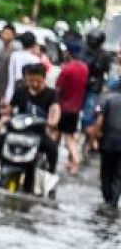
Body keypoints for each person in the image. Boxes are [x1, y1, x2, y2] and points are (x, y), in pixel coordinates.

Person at [0, 62, 60, 173]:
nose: (34, 84)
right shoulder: (20, 91)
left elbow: (55, 109)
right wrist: (0, 114)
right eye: (31, 81)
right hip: (18, 130)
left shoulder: (51, 94)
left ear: (43, 78)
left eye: (38, 81)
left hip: (37, 132)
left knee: (52, 149)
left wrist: (52, 121)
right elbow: (10, 108)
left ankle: (51, 173)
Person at [55, 41, 88, 174]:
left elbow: (58, 88)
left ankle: (75, 160)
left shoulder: (67, 69)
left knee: (66, 137)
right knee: (68, 135)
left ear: (68, 53)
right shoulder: (84, 68)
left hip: (64, 107)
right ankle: (68, 161)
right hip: (76, 108)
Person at [88, 78, 121, 205]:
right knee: (118, 174)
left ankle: (107, 199)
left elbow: (99, 122)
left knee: (106, 172)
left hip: (108, 141)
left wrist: (91, 140)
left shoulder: (107, 99)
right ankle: (113, 202)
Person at [82, 29, 111, 150]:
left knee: (88, 115)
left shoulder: (104, 55)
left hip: (94, 87)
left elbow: (105, 71)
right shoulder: (85, 51)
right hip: (83, 84)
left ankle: (90, 138)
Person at [3, 31, 42, 106]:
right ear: (34, 44)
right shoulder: (36, 59)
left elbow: (11, 78)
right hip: (30, 91)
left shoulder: (15, 56)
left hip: (16, 89)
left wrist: (7, 97)